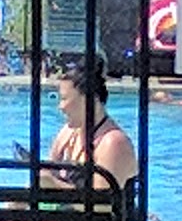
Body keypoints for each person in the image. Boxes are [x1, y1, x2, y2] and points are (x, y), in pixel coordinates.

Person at [41, 57, 139, 197]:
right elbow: (46, 175)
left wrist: (53, 184)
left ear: (91, 100)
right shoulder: (67, 134)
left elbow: (102, 205)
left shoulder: (113, 143)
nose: (60, 107)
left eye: (64, 99)